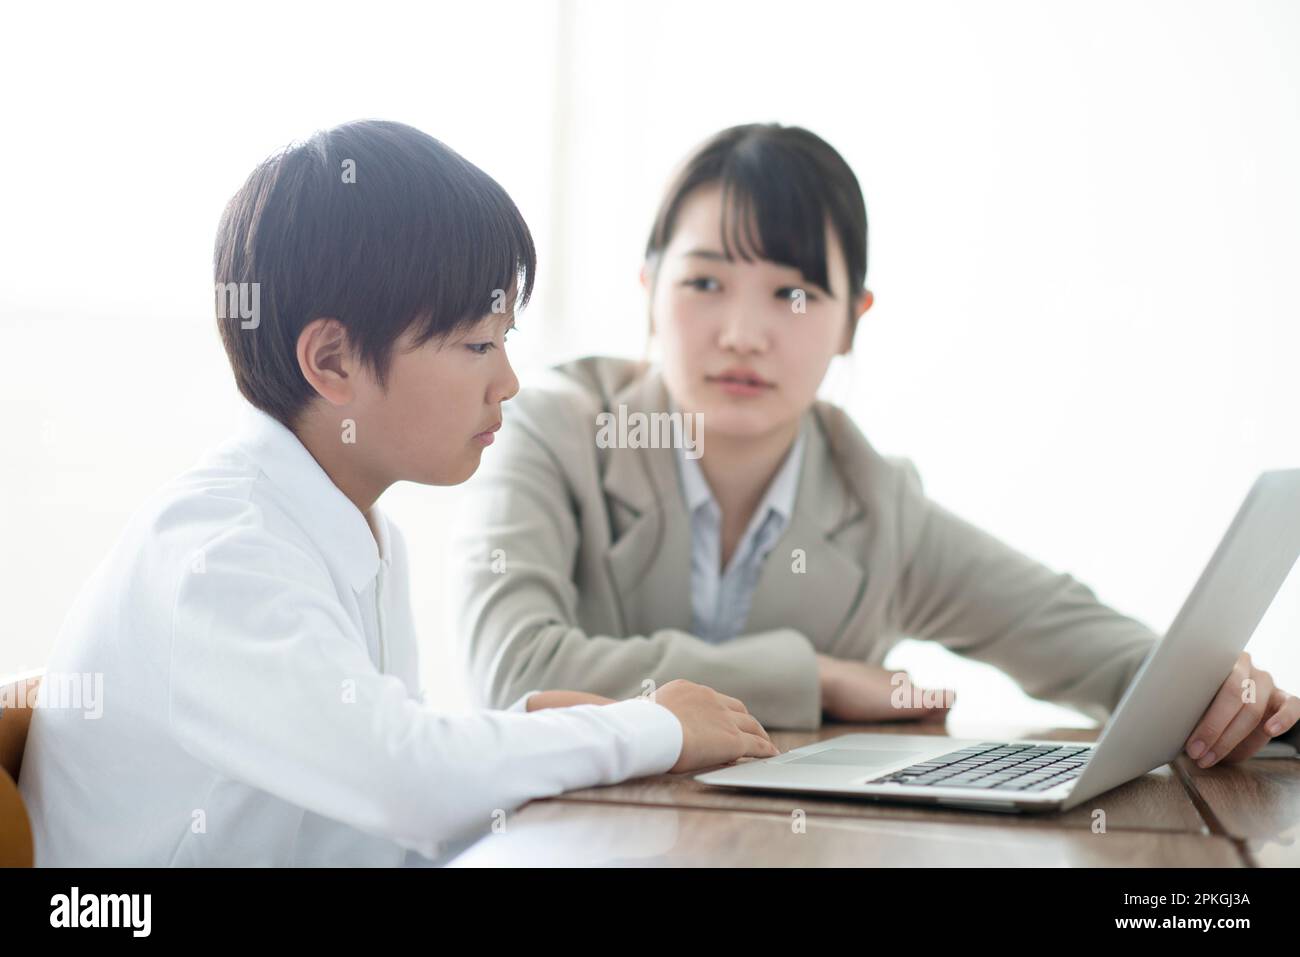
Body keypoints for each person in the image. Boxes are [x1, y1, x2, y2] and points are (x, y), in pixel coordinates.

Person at [18, 120, 776, 867]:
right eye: (479, 343)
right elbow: (405, 782)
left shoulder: (356, 529)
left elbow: (372, 813)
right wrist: (656, 727)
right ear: (333, 360)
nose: (507, 381)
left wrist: (524, 731)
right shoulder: (225, 555)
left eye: (506, 339)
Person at [451, 122, 1299, 769]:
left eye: (792, 292)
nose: (743, 333)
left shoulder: (875, 501)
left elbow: (1087, 645)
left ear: (851, 321)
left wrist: (1220, 691)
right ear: (649, 292)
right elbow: (515, 671)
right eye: (705, 282)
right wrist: (813, 677)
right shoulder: (553, 429)